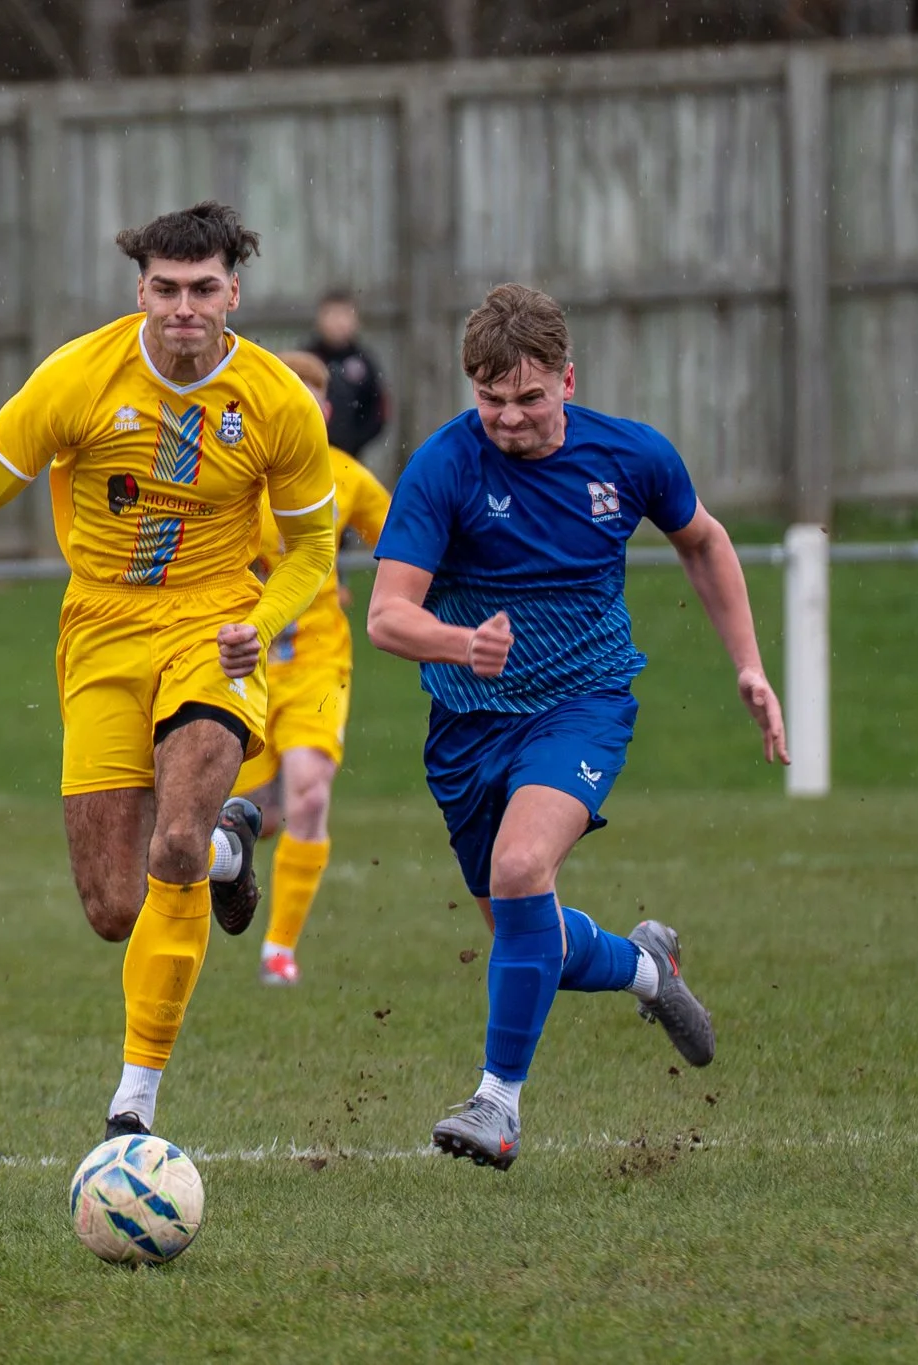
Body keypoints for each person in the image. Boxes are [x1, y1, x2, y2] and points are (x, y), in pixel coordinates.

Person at [0, 202, 335, 1144]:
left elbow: (313, 548)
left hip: (213, 623)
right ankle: (233, 848)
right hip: (101, 627)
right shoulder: (78, 376)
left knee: (173, 845)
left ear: (234, 292)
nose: (183, 307)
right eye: (165, 288)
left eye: (203, 289)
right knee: (114, 905)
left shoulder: (274, 399)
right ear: (139, 289)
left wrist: (260, 625)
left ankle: (132, 1105)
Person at [366, 283, 788, 1172]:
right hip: (466, 727)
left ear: (568, 378)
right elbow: (387, 615)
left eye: (529, 397)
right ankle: (647, 968)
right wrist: (461, 643)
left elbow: (704, 541)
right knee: (532, 939)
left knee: (524, 868)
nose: (509, 418)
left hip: (582, 703)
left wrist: (749, 664)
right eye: (491, 399)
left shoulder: (630, 455)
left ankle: (497, 1104)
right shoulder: (444, 467)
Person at [228, 350, 391, 986]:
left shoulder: (346, 478)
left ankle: (279, 949)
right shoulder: (232, 474)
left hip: (319, 662)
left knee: (310, 789)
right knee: (234, 812)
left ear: (321, 411)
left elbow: (405, 548)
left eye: (305, 399)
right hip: (238, 663)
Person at [304, 290, 388, 459]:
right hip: (309, 453)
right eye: (332, 314)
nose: (338, 322)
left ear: (356, 321)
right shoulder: (306, 358)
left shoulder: (364, 361)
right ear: (319, 319)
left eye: (344, 315)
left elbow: (379, 409)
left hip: (352, 456)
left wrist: (354, 441)